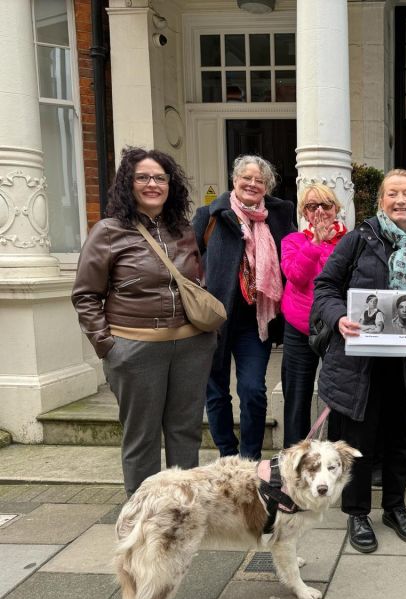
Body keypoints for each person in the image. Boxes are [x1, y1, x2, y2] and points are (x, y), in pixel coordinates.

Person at [313, 168, 406, 554]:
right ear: (381, 201)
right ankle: (357, 512)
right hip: (358, 362)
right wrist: (338, 316)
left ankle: (395, 507)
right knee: (356, 443)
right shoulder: (359, 240)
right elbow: (324, 286)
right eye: (392, 194)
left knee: (399, 440)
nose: (400, 201)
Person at [72, 147, 217, 496]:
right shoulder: (107, 232)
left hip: (190, 346)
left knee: (185, 431)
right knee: (142, 437)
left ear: (171, 185)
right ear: (129, 183)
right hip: (135, 348)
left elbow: (196, 282)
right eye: (143, 177)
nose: (152, 184)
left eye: (160, 178)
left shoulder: (182, 229)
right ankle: (144, 516)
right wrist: (109, 347)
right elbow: (85, 295)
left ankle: (183, 510)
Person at [192, 155, 295, 461]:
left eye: (259, 180)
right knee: (217, 391)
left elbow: (291, 257)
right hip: (215, 320)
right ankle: (227, 453)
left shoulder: (278, 217)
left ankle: (249, 459)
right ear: (234, 181)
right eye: (246, 178)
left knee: (252, 390)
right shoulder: (209, 215)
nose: (252, 184)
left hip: (256, 321)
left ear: (267, 186)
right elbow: (185, 262)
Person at [279, 183, 348, 447]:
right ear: (304, 213)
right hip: (299, 328)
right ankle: (294, 458)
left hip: (336, 328)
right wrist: (316, 243)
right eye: (311, 206)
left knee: (340, 396)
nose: (319, 211)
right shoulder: (293, 241)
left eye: (326, 205)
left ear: (336, 209)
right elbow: (296, 276)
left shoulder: (350, 241)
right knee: (297, 395)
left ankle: (336, 456)